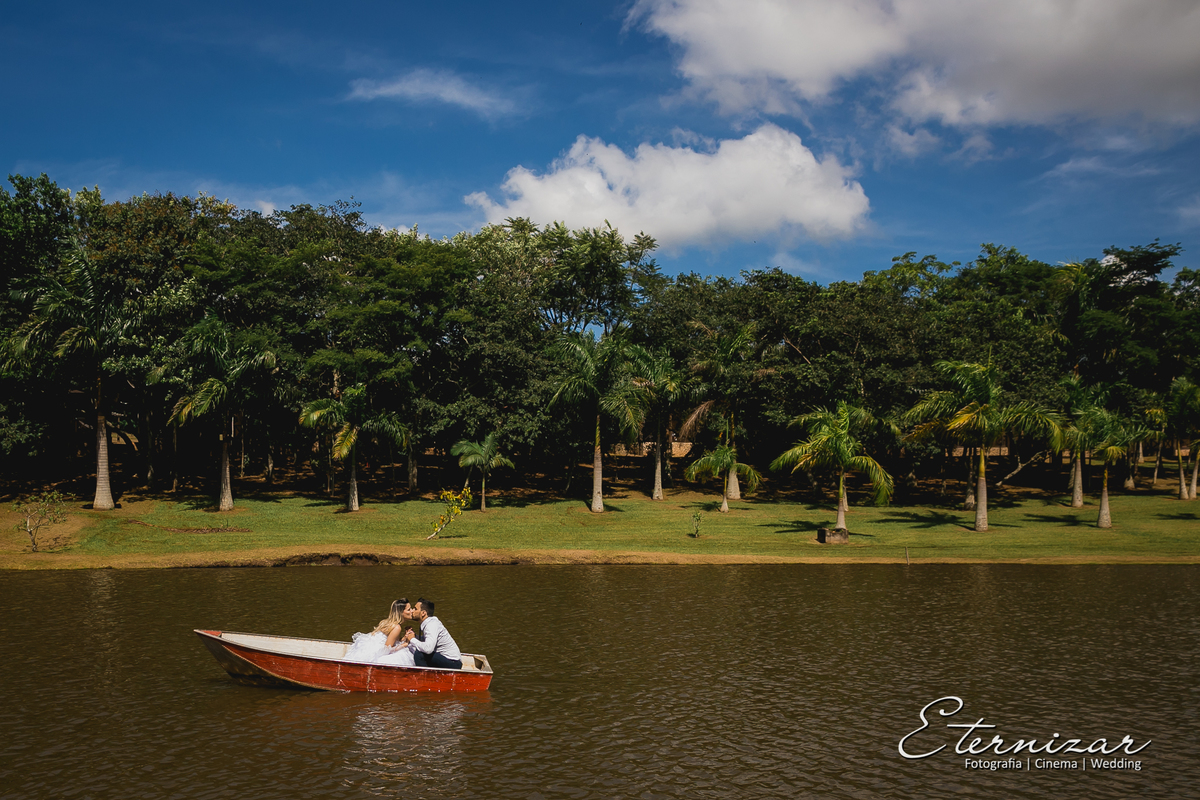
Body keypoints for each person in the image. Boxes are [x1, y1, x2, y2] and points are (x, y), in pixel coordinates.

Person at [344, 599, 419, 666]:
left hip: (372, 646)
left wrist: (405, 638)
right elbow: (387, 649)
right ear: (401, 613)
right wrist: (405, 644)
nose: (412, 611)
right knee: (403, 655)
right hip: (378, 652)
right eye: (409, 609)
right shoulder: (397, 627)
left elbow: (394, 642)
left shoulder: (388, 622)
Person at [403, 598, 463, 670]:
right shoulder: (430, 623)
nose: (412, 611)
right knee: (419, 650)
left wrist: (412, 639)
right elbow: (428, 640)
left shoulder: (431, 625)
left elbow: (428, 649)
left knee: (419, 654)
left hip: (453, 663)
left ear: (423, 613)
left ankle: (424, 676)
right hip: (447, 660)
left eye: (415, 609)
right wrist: (415, 636)